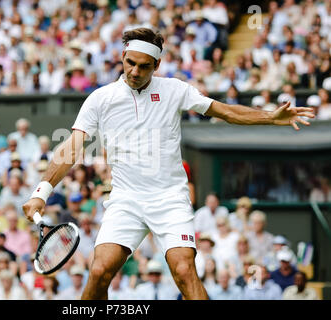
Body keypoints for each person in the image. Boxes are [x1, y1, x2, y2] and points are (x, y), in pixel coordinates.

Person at [22, 27, 314, 300]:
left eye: (144, 66)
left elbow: (224, 111)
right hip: (126, 199)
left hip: (170, 198)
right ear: (122, 57)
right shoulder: (101, 99)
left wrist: (270, 117)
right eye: (130, 62)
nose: (134, 71)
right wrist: (41, 192)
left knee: (185, 271)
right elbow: (72, 147)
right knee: (99, 272)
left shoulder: (176, 90)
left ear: (156, 66)